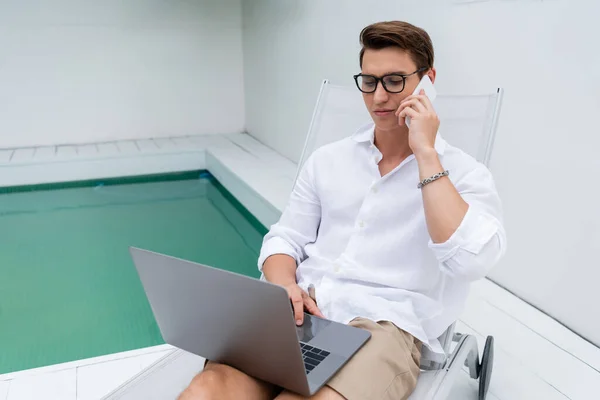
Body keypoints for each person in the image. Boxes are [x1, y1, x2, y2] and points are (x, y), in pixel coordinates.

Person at [179, 20, 507, 400]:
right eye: (368, 82)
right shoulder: (328, 160)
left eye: (394, 81)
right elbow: (285, 238)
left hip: (384, 326)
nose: (379, 97)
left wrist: (427, 156)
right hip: (303, 311)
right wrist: (284, 285)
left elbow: (471, 262)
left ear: (427, 80)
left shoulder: (463, 174)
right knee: (206, 390)